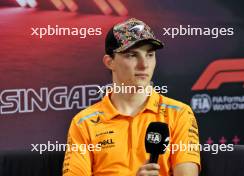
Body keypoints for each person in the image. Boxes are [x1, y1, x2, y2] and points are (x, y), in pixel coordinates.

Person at [63, 18, 200, 176]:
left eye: (149, 55)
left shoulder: (179, 114)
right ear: (109, 62)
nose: (144, 65)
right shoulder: (84, 123)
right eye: (132, 55)